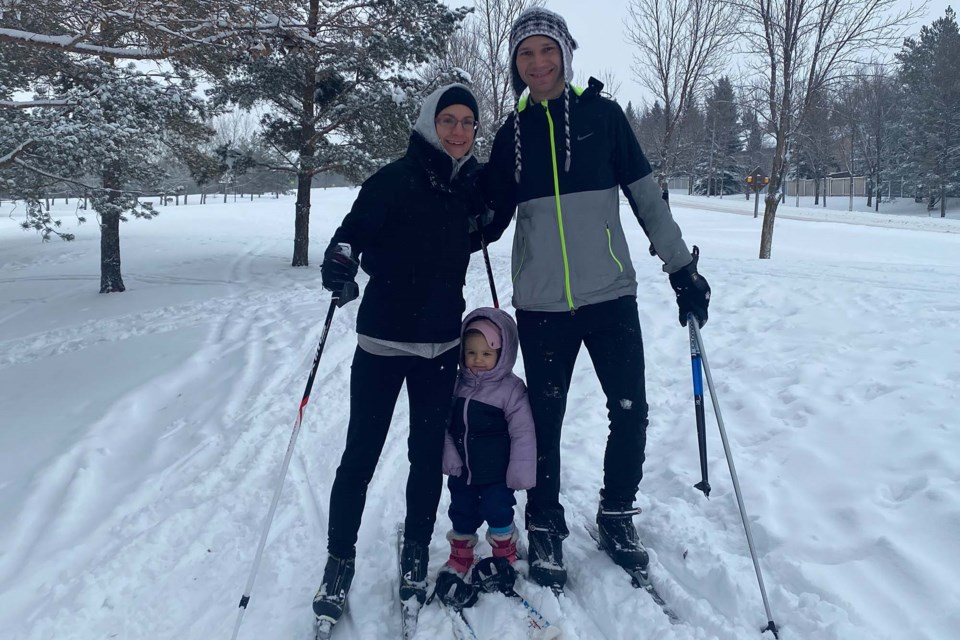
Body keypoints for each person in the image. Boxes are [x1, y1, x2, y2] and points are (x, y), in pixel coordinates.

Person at [480, 8, 712, 591]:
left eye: (546, 50)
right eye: (526, 53)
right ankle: (547, 520)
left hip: (610, 296)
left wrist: (680, 267)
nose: (537, 63)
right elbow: (484, 218)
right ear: (516, 63)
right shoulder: (510, 136)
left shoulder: (604, 118)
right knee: (546, 419)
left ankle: (615, 514)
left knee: (629, 408)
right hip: (541, 305)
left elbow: (646, 200)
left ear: (565, 53)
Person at [312, 83, 490, 628]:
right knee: (360, 456)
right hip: (383, 345)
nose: (458, 130)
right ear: (427, 123)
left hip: (439, 347)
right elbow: (349, 236)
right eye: (448, 120)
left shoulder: (469, 188)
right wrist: (340, 267)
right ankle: (339, 561)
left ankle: (416, 549)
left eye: (467, 122)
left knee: (424, 457)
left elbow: (483, 230)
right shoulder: (391, 179)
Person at [440, 308, 536, 579]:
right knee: (461, 512)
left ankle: (505, 553)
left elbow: (523, 432)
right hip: (464, 470)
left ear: (501, 354)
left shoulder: (511, 390)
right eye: (471, 353)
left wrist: (520, 470)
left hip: (497, 473)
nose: (478, 360)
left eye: (486, 354)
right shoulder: (456, 384)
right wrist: (448, 453)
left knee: (499, 511)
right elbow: (442, 425)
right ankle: (461, 555)